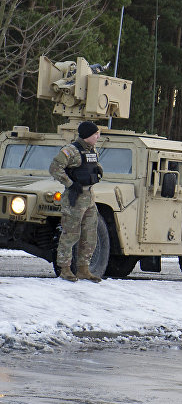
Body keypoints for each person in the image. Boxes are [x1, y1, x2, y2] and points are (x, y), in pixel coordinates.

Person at [49, 120, 104, 283]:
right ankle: (65, 269)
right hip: (75, 198)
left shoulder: (92, 150)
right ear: (87, 135)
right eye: (96, 134)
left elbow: (92, 166)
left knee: (90, 234)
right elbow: (54, 168)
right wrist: (70, 184)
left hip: (89, 197)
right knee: (70, 234)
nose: (98, 136)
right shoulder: (70, 151)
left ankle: (83, 269)